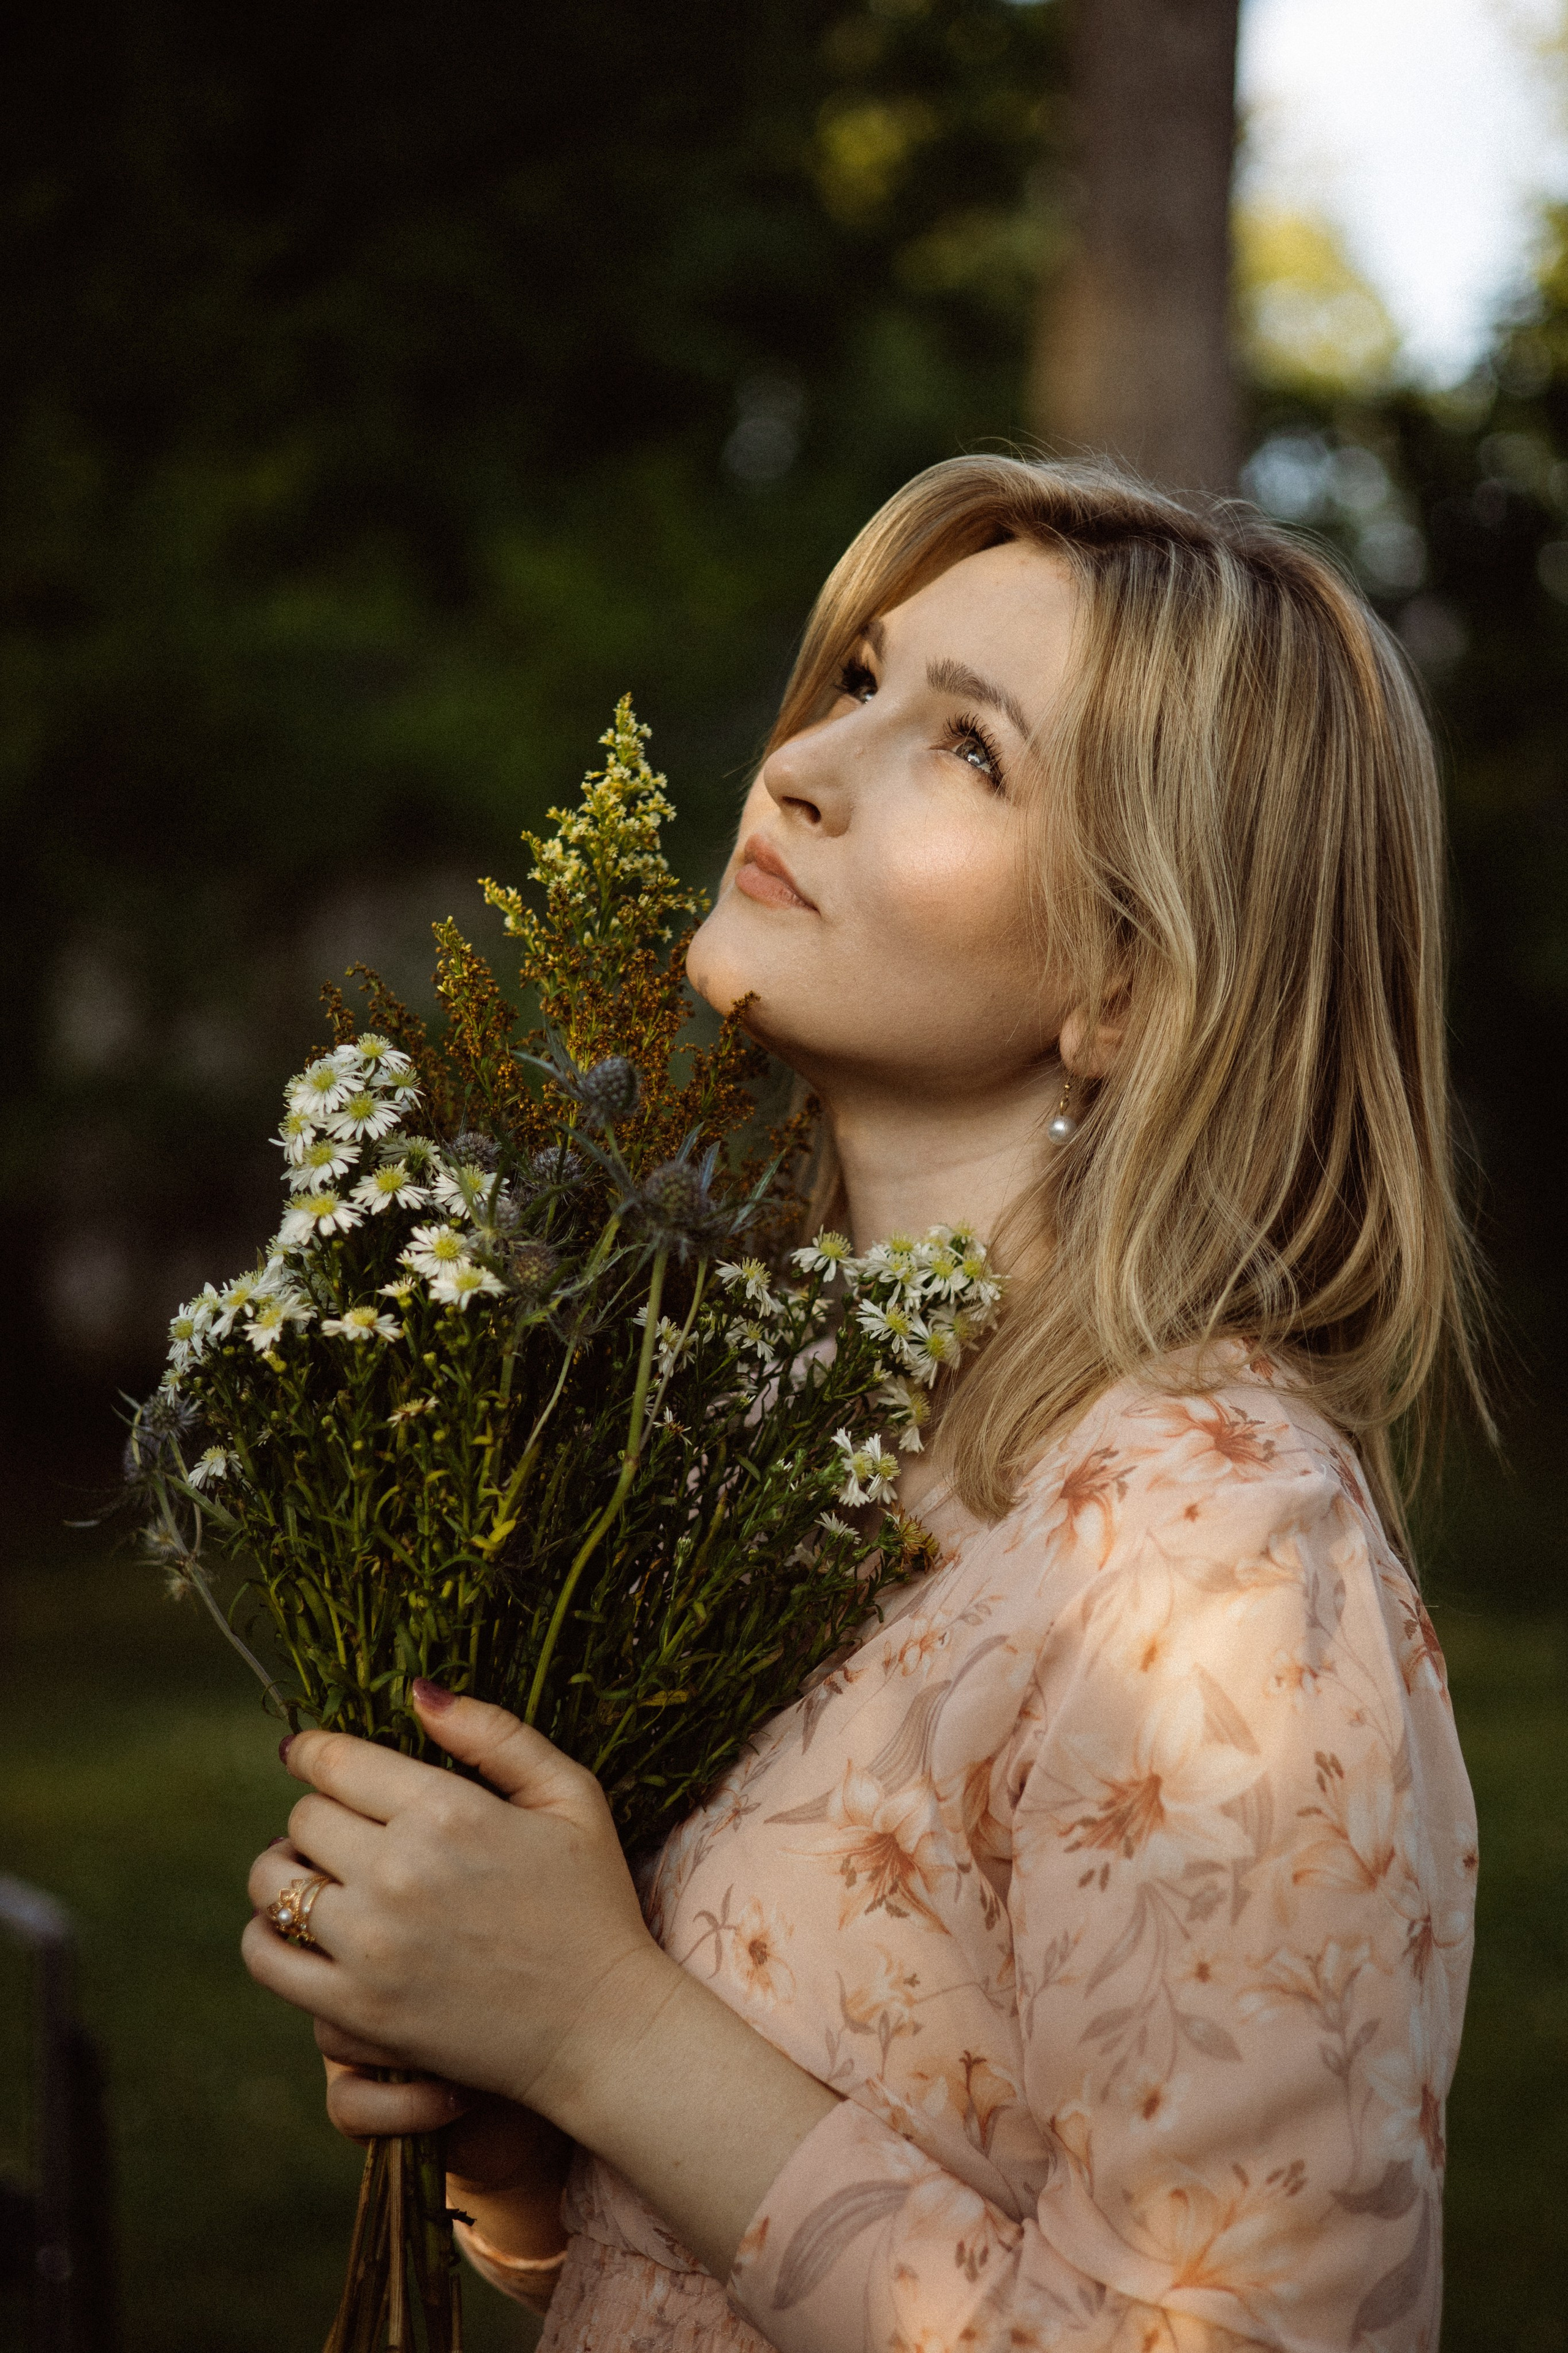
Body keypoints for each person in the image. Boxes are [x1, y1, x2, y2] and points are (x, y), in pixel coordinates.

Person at [244, 457, 1483, 2353]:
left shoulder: (1211, 1557)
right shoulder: (796, 1461)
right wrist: (520, 2119)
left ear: (1135, 980)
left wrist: (595, 2015)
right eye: (861, 681)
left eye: (972, 750)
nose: (807, 761)